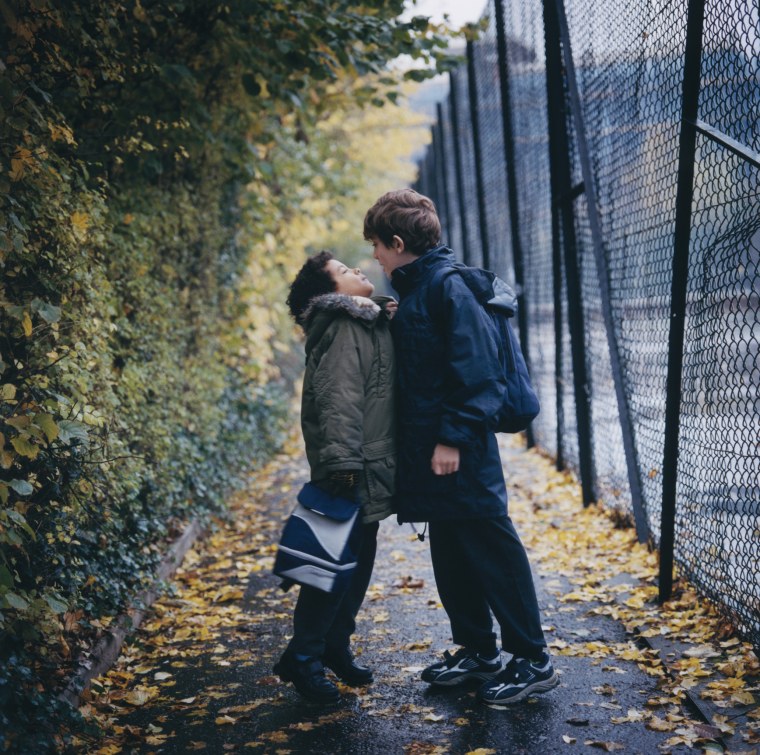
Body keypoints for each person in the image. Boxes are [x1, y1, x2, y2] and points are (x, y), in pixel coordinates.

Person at [363, 189, 558, 707]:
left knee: (492, 547)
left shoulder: (448, 288)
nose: (375, 257)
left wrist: (452, 437)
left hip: (459, 448)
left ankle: (532, 659)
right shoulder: (420, 288)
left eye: (377, 247)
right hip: (433, 450)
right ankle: (477, 649)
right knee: (453, 552)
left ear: (398, 243)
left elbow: (480, 376)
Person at [273, 251, 397, 704]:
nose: (359, 270)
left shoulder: (365, 321)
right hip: (351, 465)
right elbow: (338, 397)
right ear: (331, 294)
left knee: (354, 561)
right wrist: (343, 465)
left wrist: (388, 314)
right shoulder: (345, 327)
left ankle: (330, 647)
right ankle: (304, 659)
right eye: (345, 272)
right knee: (329, 567)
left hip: (364, 462)